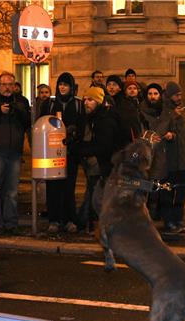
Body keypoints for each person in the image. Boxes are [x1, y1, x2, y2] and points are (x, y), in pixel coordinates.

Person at [0, 71, 31, 235]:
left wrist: (17, 110)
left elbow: (27, 122)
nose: (7, 88)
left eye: (10, 84)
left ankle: (11, 223)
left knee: (11, 191)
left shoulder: (21, 102)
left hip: (15, 153)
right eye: (4, 84)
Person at [39, 72, 86, 234]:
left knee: (68, 187)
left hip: (71, 153)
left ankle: (69, 219)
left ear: (71, 87)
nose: (63, 87)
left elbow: (82, 128)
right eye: (60, 84)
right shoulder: (50, 104)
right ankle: (54, 219)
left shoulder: (78, 105)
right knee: (53, 186)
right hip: (53, 153)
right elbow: (42, 125)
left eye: (66, 85)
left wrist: (74, 135)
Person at [74, 86, 118, 229]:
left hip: (106, 165)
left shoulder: (104, 120)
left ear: (99, 102)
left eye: (90, 100)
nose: (86, 102)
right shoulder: (94, 117)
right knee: (94, 194)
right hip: (102, 165)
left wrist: (81, 150)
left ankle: (90, 224)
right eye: (85, 99)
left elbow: (103, 146)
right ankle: (85, 222)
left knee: (97, 197)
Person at [160, 81, 185, 234]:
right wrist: (173, 116)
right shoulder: (165, 110)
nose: (179, 97)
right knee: (168, 191)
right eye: (176, 95)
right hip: (170, 158)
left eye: (180, 94)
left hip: (184, 158)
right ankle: (169, 221)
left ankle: (179, 219)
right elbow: (160, 128)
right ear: (170, 96)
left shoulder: (183, 110)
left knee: (181, 191)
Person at [140, 83, 173, 220]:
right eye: (150, 94)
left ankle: (157, 213)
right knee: (146, 184)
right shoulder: (141, 111)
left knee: (159, 184)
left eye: (155, 93)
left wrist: (172, 134)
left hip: (162, 152)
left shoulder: (166, 112)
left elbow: (173, 129)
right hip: (146, 152)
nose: (152, 97)